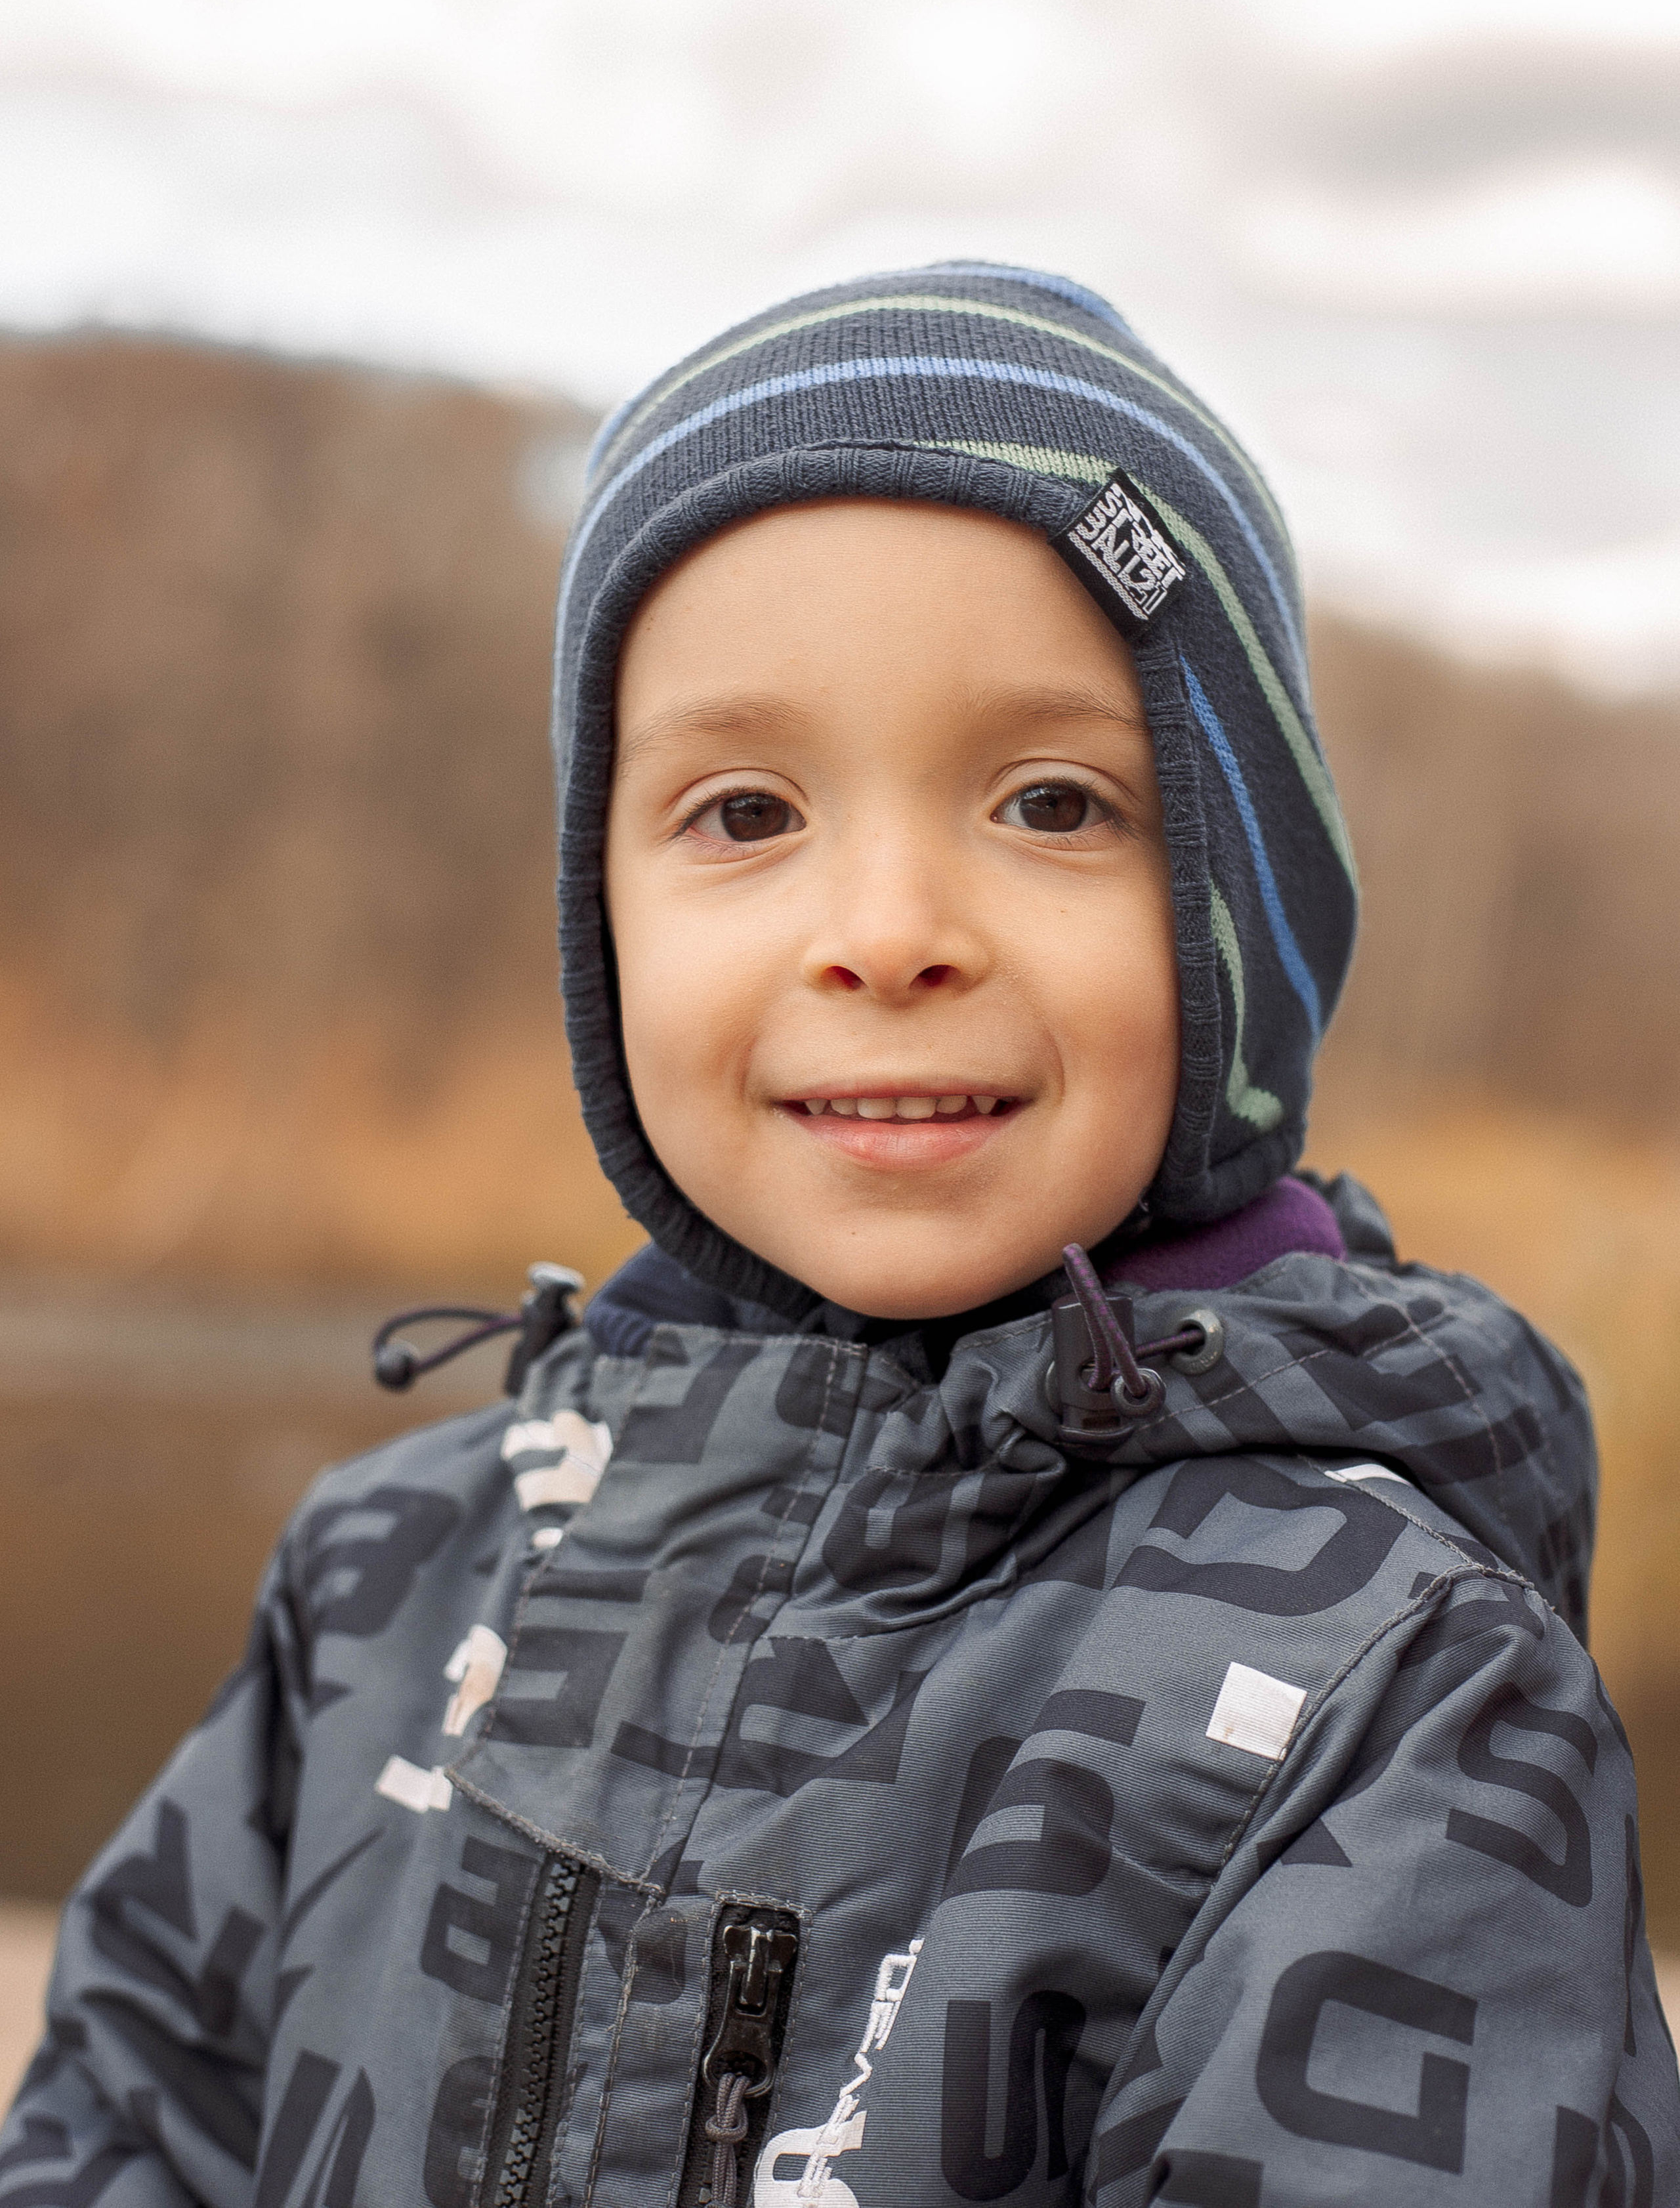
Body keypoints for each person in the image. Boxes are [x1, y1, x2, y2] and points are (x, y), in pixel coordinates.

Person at [4, 263, 1673, 2208]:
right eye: (742, 811)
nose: (884, 927)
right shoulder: (389, 1581)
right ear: (599, 915)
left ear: (1244, 923)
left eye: (1050, 801)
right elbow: (124, 2129)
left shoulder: (1384, 1687)